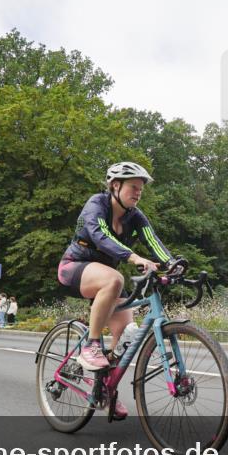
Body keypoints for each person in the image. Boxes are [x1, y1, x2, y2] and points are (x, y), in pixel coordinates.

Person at [56, 162, 174, 420]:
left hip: (107, 278)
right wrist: (133, 258)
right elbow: (100, 236)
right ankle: (91, 344)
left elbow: (152, 240)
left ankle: (107, 392)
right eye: (134, 187)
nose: (138, 193)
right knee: (115, 279)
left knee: (124, 342)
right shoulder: (96, 204)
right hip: (75, 268)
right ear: (115, 186)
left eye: (141, 189)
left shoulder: (136, 216)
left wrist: (173, 263)